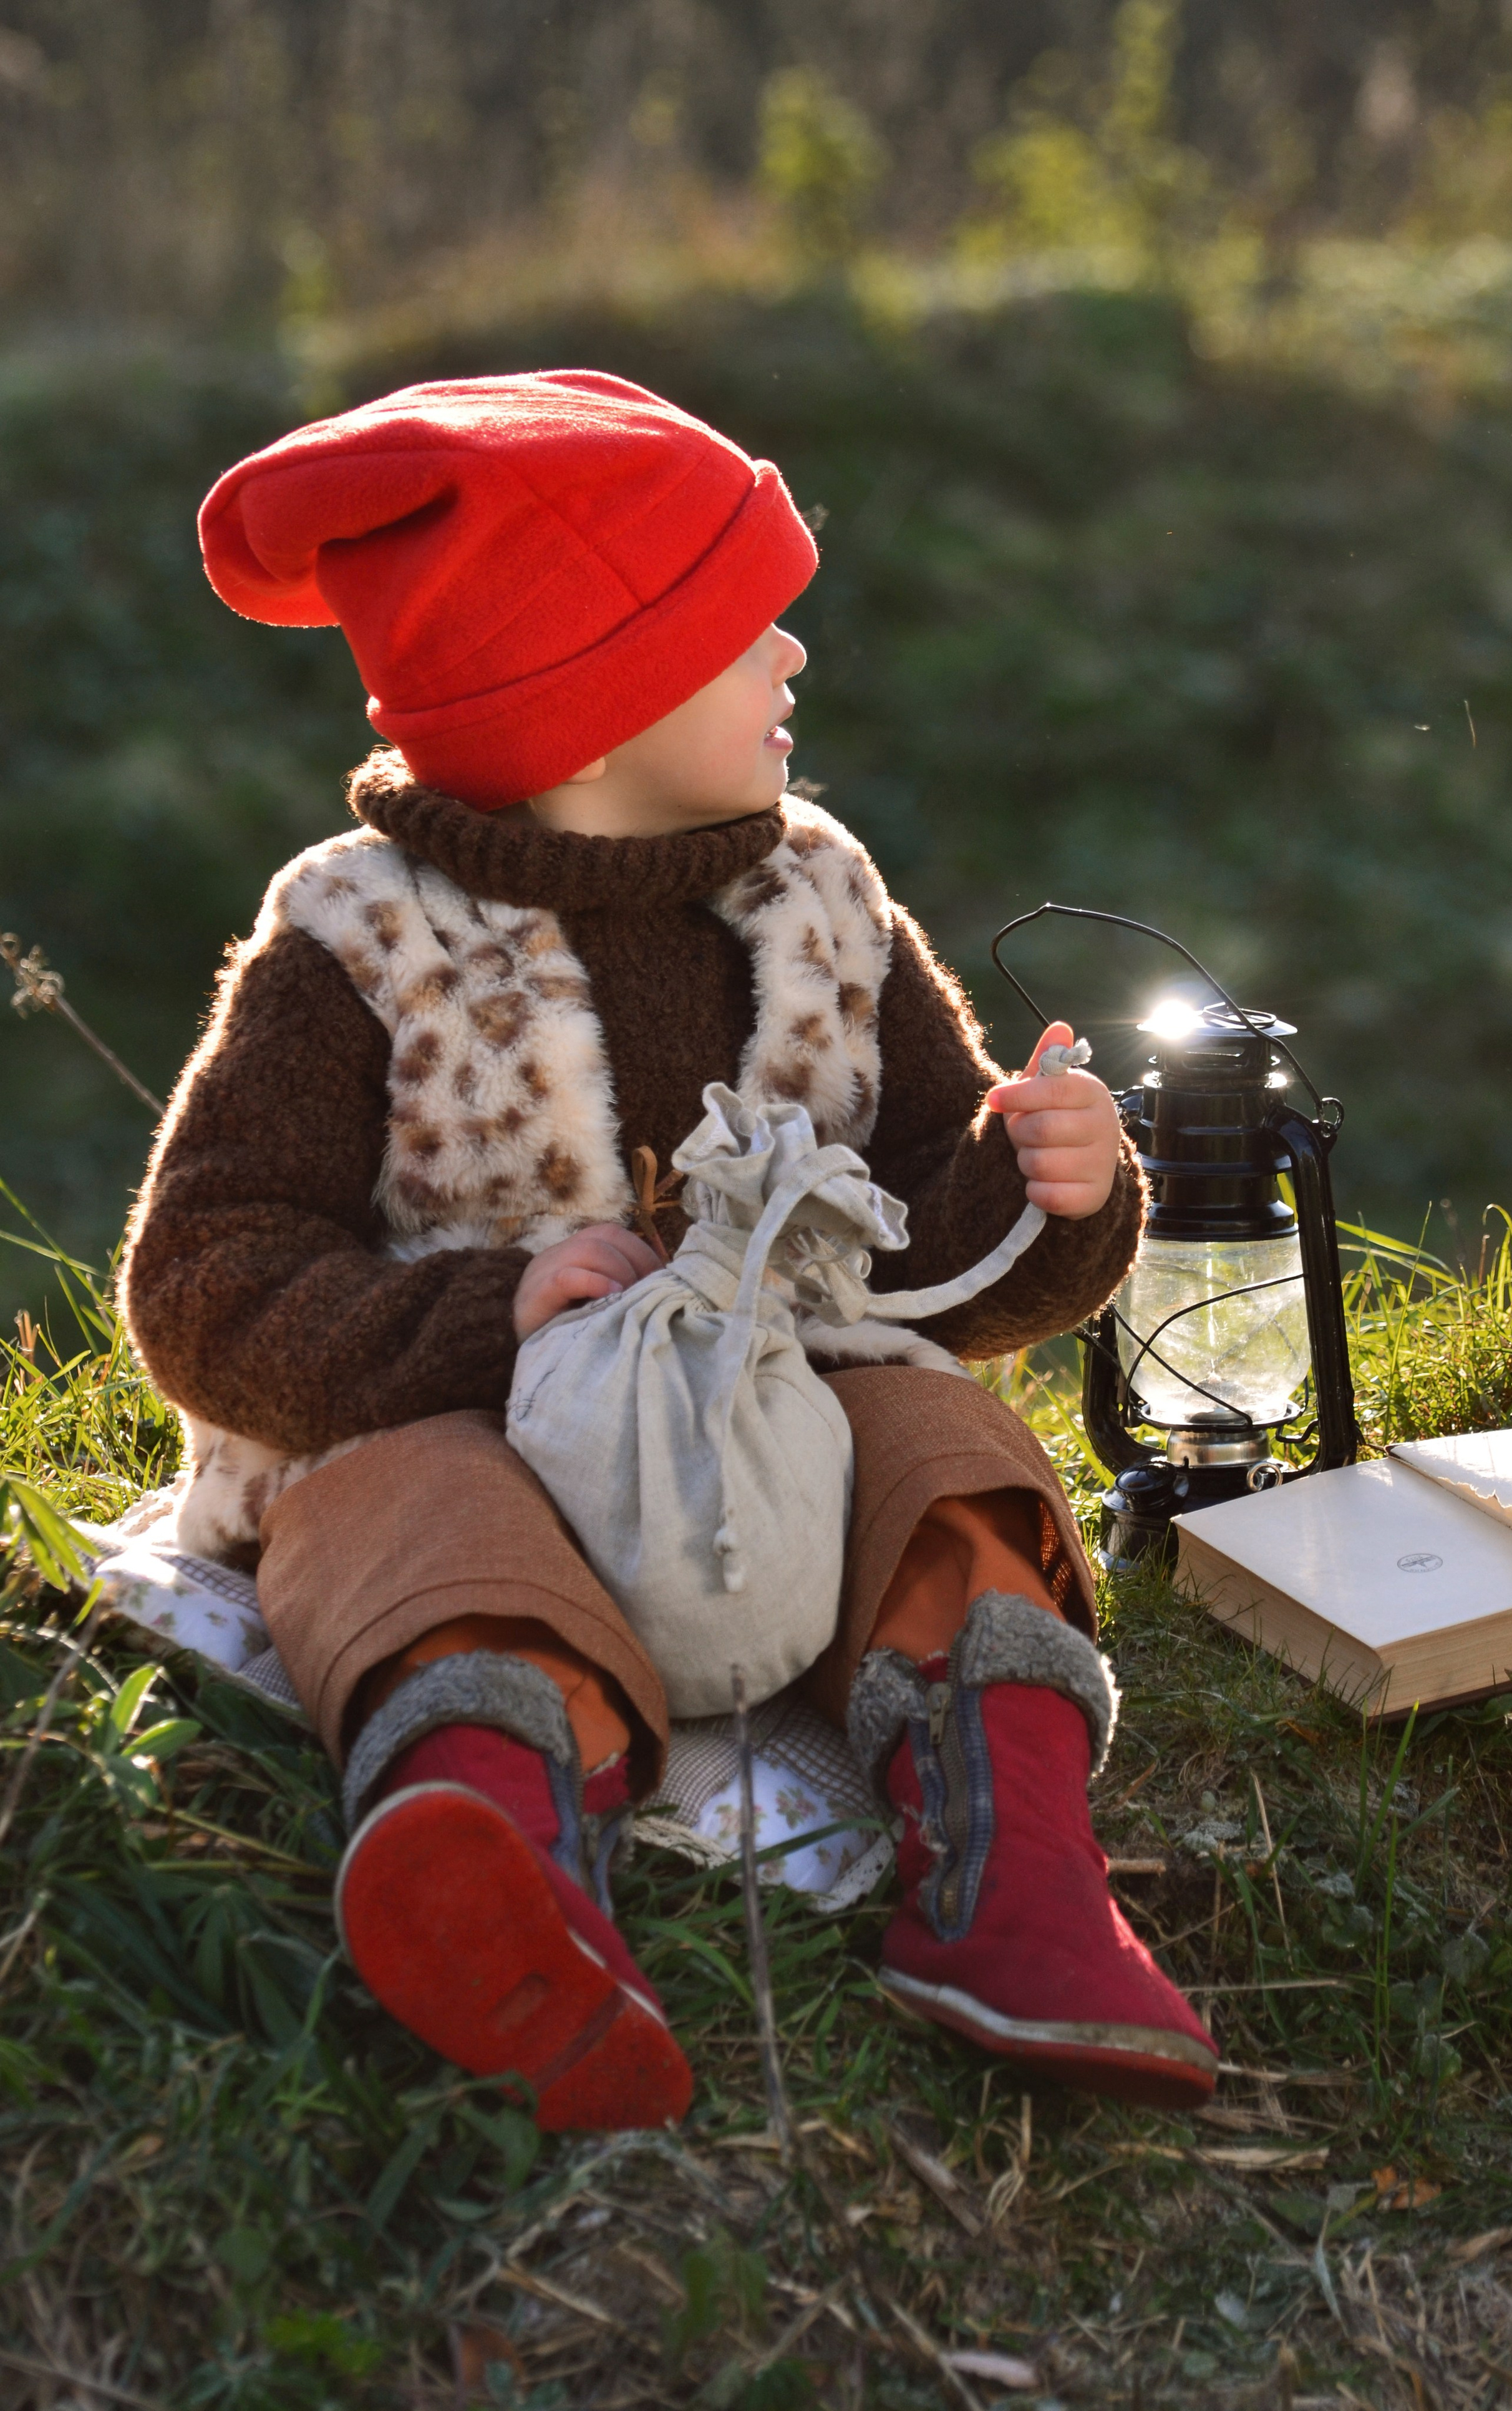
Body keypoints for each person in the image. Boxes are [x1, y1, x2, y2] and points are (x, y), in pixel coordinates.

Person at [120, 370, 1216, 2132]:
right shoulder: (362, 938)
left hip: (783, 1437)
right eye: (741, 631)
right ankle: (504, 1860)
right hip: (476, 1432)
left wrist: (1047, 1188)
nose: (794, 658)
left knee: (947, 1455)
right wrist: (486, 1312)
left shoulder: (822, 902)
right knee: (411, 1517)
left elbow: (934, 1247)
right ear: (585, 704)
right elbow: (203, 1276)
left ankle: (1016, 1869)